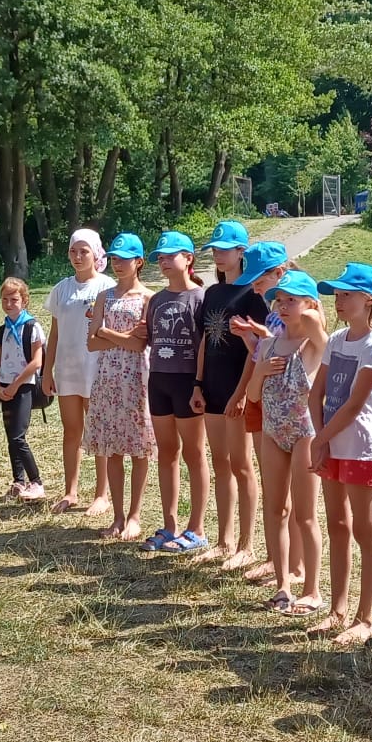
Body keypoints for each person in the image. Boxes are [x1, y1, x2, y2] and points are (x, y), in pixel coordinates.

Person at [308, 264, 372, 645]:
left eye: (347, 295)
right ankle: (337, 610)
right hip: (331, 444)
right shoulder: (337, 339)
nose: (339, 301)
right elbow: (317, 393)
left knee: (364, 530)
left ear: (369, 299)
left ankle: (365, 617)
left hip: (359, 447)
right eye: (337, 295)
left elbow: (355, 404)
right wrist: (321, 437)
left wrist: (321, 439)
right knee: (337, 525)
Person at [255, 269, 328, 615]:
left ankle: (312, 589)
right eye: (279, 301)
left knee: (305, 513)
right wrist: (259, 372)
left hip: (304, 433)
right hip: (272, 431)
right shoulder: (269, 343)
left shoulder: (313, 344)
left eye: (291, 301)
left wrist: (311, 310)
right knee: (275, 508)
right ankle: (282, 584)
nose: (283, 307)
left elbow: (321, 334)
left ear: (309, 304)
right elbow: (253, 396)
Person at [192, 221, 262, 572]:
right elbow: (206, 339)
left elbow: (256, 350)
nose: (218, 255)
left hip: (239, 388)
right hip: (213, 387)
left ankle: (247, 545)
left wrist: (242, 393)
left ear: (240, 251)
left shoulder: (253, 293)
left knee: (241, 465)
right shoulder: (212, 293)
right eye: (215, 250)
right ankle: (224, 540)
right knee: (221, 463)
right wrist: (197, 383)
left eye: (224, 249)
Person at [224, 243, 295, 588]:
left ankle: (293, 566)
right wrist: (251, 339)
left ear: (279, 273)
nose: (254, 288)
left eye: (259, 281)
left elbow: (296, 355)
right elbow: (263, 356)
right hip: (265, 400)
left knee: (287, 494)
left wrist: (263, 340)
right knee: (273, 488)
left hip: (288, 408)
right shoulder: (272, 314)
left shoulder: (301, 310)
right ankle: (275, 559)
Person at [143, 231, 209, 555]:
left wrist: (199, 384)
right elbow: (149, 339)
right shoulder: (156, 300)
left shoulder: (201, 298)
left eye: (171, 255)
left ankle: (196, 528)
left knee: (193, 454)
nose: (164, 261)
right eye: (160, 257)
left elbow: (206, 346)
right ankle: (169, 525)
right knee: (166, 452)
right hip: (159, 379)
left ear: (188, 258)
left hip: (188, 382)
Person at [85, 234, 154, 541]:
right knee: (111, 447)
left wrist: (107, 332)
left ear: (139, 262)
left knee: (139, 448)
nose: (118, 264)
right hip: (108, 377)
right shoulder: (104, 296)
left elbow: (140, 345)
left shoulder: (148, 298)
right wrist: (122, 338)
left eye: (125, 259)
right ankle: (117, 516)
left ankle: (135, 516)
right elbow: (91, 343)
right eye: (114, 258)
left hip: (137, 377)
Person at [44, 230, 116, 516]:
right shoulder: (62, 289)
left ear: (96, 254)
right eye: (73, 251)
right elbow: (54, 333)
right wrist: (47, 371)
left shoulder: (107, 286)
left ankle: (102, 494)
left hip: (96, 369)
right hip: (67, 369)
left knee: (98, 431)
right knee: (71, 430)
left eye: (84, 251)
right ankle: (70, 492)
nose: (77, 257)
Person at [0, 277, 47, 500]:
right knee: (10, 437)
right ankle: (18, 481)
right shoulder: (3, 329)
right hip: (5, 386)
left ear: (24, 300)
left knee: (18, 436)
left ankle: (37, 482)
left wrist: (16, 385)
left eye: (14, 299)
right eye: (5, 299)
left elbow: (37, 362)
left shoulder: (32, 326)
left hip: (24, 386)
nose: (9, 304)